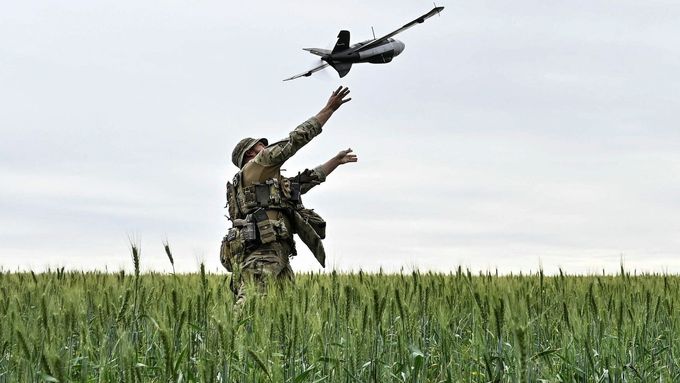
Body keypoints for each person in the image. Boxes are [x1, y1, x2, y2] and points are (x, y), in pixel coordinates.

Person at [220, 86, 355, 305]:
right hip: (261, 253)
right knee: (250, 306)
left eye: (261, 146)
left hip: (278, 253)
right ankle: (226, 340)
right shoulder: (254, 169)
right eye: (253, 151)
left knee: (285, 311)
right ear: (247, 160)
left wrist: (336, 161)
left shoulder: (268, 185)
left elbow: (307, 181)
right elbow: (294, 141)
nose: (261, 150)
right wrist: (328, 110)